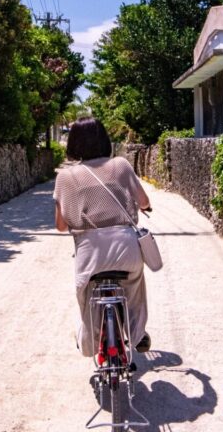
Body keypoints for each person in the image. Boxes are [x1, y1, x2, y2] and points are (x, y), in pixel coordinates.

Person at [53, 117, 152, 356]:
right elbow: (144, 201)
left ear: (74, 143)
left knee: (86, 295)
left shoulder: (65, 177)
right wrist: (144, 208)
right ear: (104, 139)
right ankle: (137, 334)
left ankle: (89, 341)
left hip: (89, 253)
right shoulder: (121, 165)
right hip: (125, 246)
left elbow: (60, 225)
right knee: (134, 284)